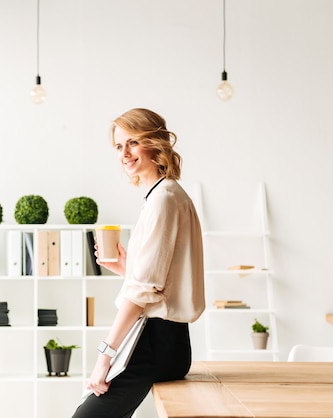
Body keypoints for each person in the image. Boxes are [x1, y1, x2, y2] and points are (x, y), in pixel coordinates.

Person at [72, 108, 205, 418]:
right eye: (119, 146)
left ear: (155, 143)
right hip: (168, 343)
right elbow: (160, 279)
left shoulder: (163, 199)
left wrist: (105, 355)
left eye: (132, 142)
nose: (125, 154)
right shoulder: (165, 195)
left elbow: (144, 291)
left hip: (153, 343)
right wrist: (126, 268)